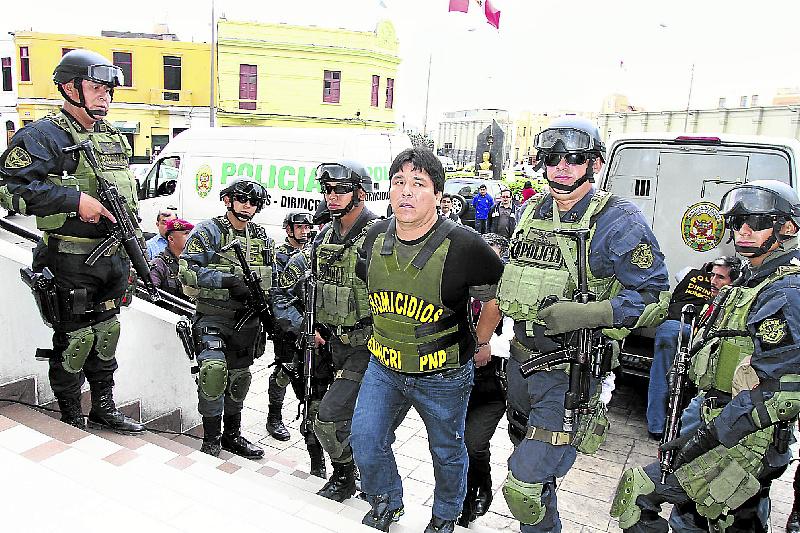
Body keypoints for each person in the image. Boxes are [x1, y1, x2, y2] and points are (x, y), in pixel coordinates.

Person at [496, 116, 670, 532]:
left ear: (593, 162)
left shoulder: (617, 220)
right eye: (553, 158)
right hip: (521, 367)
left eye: (574, 159)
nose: (561, 168)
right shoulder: (531, 209)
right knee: (538, 480)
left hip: (568, 371)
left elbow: (657, 297)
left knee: (525, 486)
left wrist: (590, 314)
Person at [611, 180, 800, 533]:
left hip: (745, 439)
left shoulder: (785, 290)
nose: (743, 230)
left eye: (757, 222)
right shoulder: (751, 278)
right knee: (703, 518)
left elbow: (784, 391)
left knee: (643, 496)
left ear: (786, 227)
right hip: (719, 420)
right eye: (738, 220)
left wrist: (705, 437)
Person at [351, 147, 504, 533]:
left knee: (447, 451)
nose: (406, 192)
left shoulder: (467, 246)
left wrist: (482, 343)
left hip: (443, 375)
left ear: (438, 195)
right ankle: (387, 502)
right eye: (399, 182)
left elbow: (495, 300)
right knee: (366, 440)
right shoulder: (372, 237)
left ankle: (446, 515)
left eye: (418, 184)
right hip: (383, 366)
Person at [0, 49, 145, 433]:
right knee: (75, 339)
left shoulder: (109, 135)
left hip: (112, 257)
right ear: (69, 88)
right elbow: (7, 187)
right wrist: (73, 199)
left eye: (109, 91)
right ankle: (70, 415)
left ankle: (103, 408)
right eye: (96, 88)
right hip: (70, 259)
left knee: (107, 333)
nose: (105, 97)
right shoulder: (44, 135)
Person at [279, 159, 378, 501]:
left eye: (340, 189)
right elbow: (287, 286)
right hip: (334, 346)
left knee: (330, 419)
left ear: (360, 193)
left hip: (370, 349)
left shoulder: (378, 237)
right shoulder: (324, 238)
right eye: (327, 190)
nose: (332, 196)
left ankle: (347, 476)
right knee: (341, 419)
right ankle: (358, 478)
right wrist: (303, 325)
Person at [178, 177, 274, 459]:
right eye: (242, 199)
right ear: (228, 200)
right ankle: (211, 438)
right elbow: (186, 270)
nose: (247, 206)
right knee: (212, 373)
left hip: (247, 321)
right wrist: (228, 281)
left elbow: (273, 279)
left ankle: (232, 435)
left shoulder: (260, 237)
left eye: (253, 202)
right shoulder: (210, 231)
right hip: (214, 317)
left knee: (239, 378)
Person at [646, 256, 740, 439]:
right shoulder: (734, 292)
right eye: (712, 275)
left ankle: (657, 427)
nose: (713, 281)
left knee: (661, 376)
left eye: (720, 277)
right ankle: (684, 432)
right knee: (699, 381)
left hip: (674, 327)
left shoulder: (688, 273)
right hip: (696, 332)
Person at [459, 232, 510, 528]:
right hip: (456, 382)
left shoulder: (509, 296)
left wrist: (486, 345)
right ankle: (460, 500)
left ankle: (482, 488)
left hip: (491, 387)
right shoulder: (460, 290)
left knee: (474, 443)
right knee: (454, 445)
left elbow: (514, 338)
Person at [266, 210, 314, 442]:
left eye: (307, 227)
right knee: (284, 370)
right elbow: (278, 296)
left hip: (309, 323)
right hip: (286, 324)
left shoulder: (313, 251)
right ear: (289, 229)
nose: (305, 231)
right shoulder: (279, 256)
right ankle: (274, 416)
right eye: (300, 227)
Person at [149, 217, 194, 298]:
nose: (191, 238)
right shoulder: (158, 265)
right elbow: (150, 296)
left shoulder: (194, 262)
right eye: (186, 234)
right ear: (171, 239)